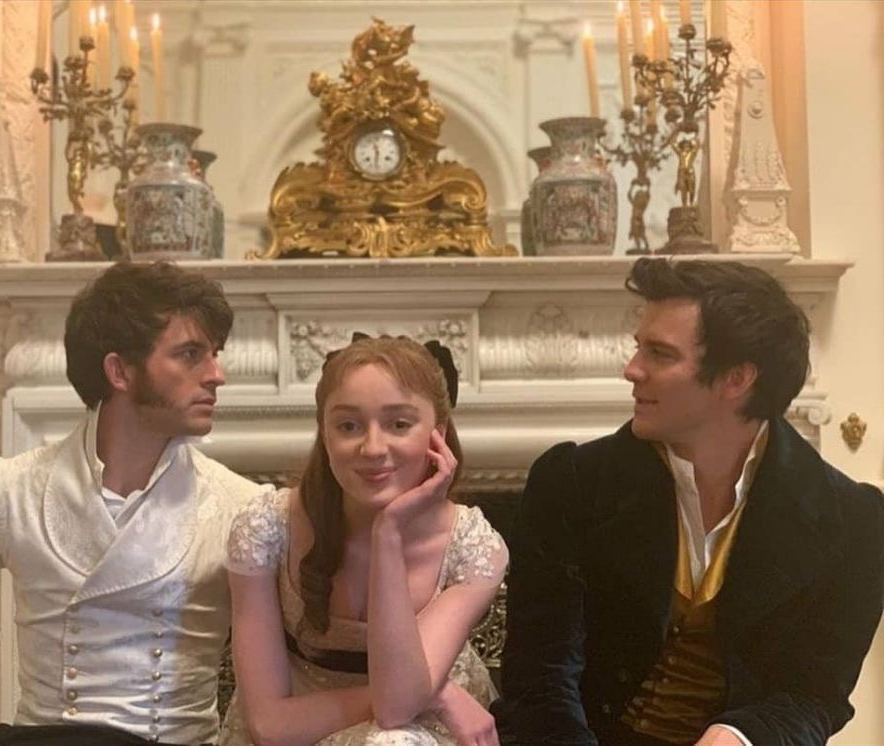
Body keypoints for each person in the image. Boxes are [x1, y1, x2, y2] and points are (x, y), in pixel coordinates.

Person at [495, 258, 884, 746]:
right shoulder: (570, 483)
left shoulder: (855, 521)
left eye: (659, 353)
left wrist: (741, 734)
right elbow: (539, 679)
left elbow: (816, 694)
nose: (631, 370)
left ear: (737, 379)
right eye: (638, 347)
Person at [0, 262, 269, 746]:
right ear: (119, 371)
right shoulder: (6, 490)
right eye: (190, 354)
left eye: (215, 354)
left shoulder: (244, 508)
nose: (217, 375)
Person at [219, 335, 507, 745]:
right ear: (324, 434)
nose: (372, 448)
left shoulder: (474, 547)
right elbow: (268, 725)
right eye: (348, 426)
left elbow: (396, 709)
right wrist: (438, 694)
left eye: (399, 424)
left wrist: (387, 534)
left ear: (438, 434)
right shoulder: (266, 527)